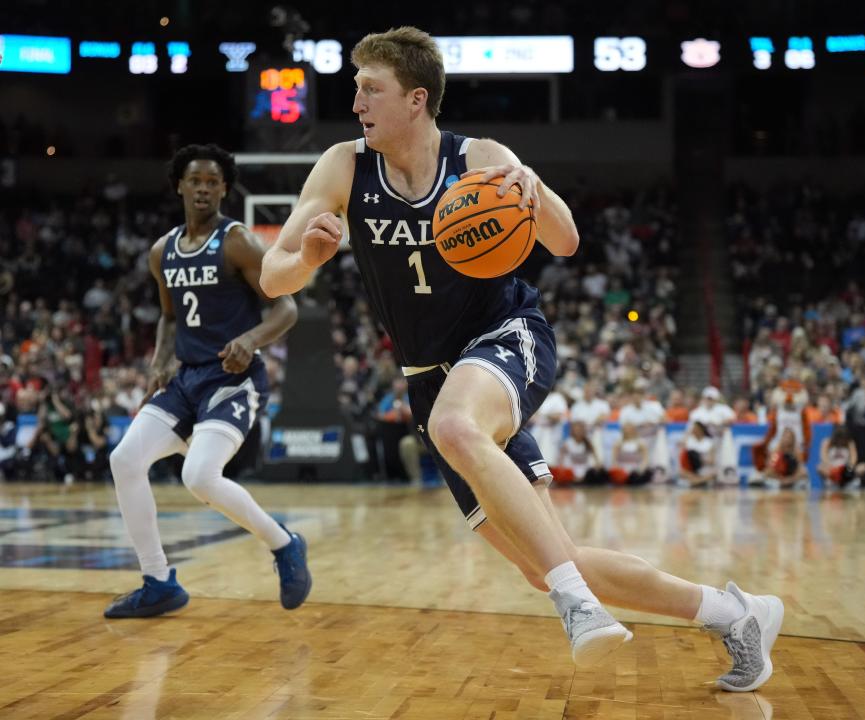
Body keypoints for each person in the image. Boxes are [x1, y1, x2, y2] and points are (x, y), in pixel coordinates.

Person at [260, 27, 782, 688]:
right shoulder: (344, 165)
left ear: (415, 99)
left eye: (371, 88)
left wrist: (530, 185)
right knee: (548, 557)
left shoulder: (478, 157)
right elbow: (274, 278)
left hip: (505, 336)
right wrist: (305, 255)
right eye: (357, 87)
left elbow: (564, 241)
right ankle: (736, 613)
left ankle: (578, 608)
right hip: (429, 377)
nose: (356, 100)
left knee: (458, 430)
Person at [104, 144, 308, 619]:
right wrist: (158, 361)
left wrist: (251, 339)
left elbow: (287, 306)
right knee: (125, 460)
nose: (203, 189)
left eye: (212, 182)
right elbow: (169, 318)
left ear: (223, 189)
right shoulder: (163, 252)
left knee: (198, 476)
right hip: (186, 379)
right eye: (195, 180)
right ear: (179, 185)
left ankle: (284, 544)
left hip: (233, 380)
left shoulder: (237, 241)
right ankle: (158, 582)